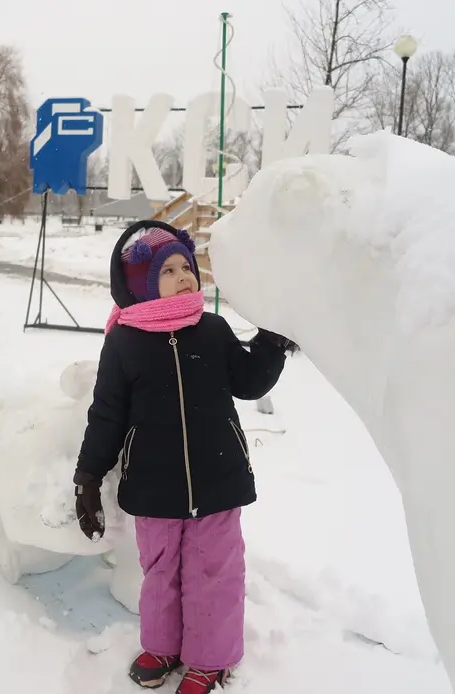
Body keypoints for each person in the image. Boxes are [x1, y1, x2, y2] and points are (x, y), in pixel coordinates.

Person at [72, 221, 296, 694]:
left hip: (218, 480)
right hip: (154, 486)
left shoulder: (211, 329)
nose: (184, 276)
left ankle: (209, 660)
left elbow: (248, 381)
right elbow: (107, 415)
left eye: (187, 267)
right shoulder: (124, 342)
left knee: (214, 572)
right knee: (160, 573)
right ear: (140, 284)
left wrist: (271, 342)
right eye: (168, 269)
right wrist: (89, 477)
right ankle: (163, 646)